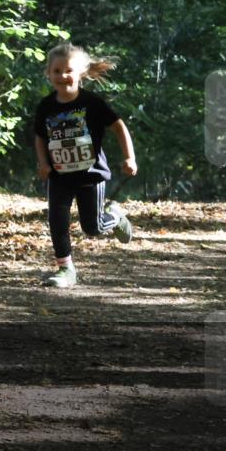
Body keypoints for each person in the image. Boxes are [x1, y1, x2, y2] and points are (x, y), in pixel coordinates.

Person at [33, 43, 136, 288]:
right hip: (59, 176)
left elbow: (119, 127)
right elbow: (39, 136)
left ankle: (115, 216)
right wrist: (43, 163)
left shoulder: (92, 103)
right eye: (56, 71)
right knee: (57, 220)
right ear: (48, 74)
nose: (62, 76)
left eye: (68, 70)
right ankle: (65, 269)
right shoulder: (46, 106)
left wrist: (129, 157)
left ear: (81, 73)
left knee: (93, 227)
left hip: (90, 174)